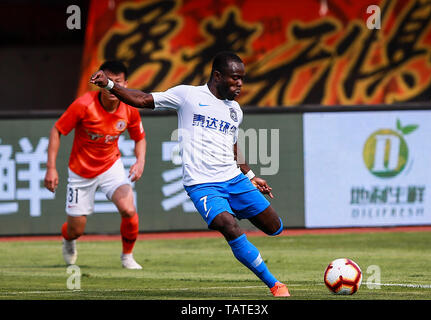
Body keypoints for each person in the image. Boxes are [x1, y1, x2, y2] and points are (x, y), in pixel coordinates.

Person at [89, 52, 290, 296]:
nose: (240, 84)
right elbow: (142, 99)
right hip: (203, 185)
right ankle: (275, 285)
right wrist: (111, 85)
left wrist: (250, 176)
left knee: (274, 227)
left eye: (242, 79)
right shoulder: (188, 96)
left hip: (235, 180)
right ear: (217, 76)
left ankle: (232, 205)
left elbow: (233, 145)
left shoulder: (235, 110)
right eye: (235, 78)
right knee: (228, 226)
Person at [45, 60, 146, 269]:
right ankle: (68, 239)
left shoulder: (129, 108)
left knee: (128, 209)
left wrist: (140, 161)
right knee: (76, 230)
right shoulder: (84, 105)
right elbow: (57, 130)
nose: (110, 86)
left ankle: (127, 256)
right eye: (107, 81)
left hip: (111, 166)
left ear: (125, 84)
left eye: (116, 82)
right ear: (99, 82)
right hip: (80, 173)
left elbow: (140, 138)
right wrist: (51, 168)